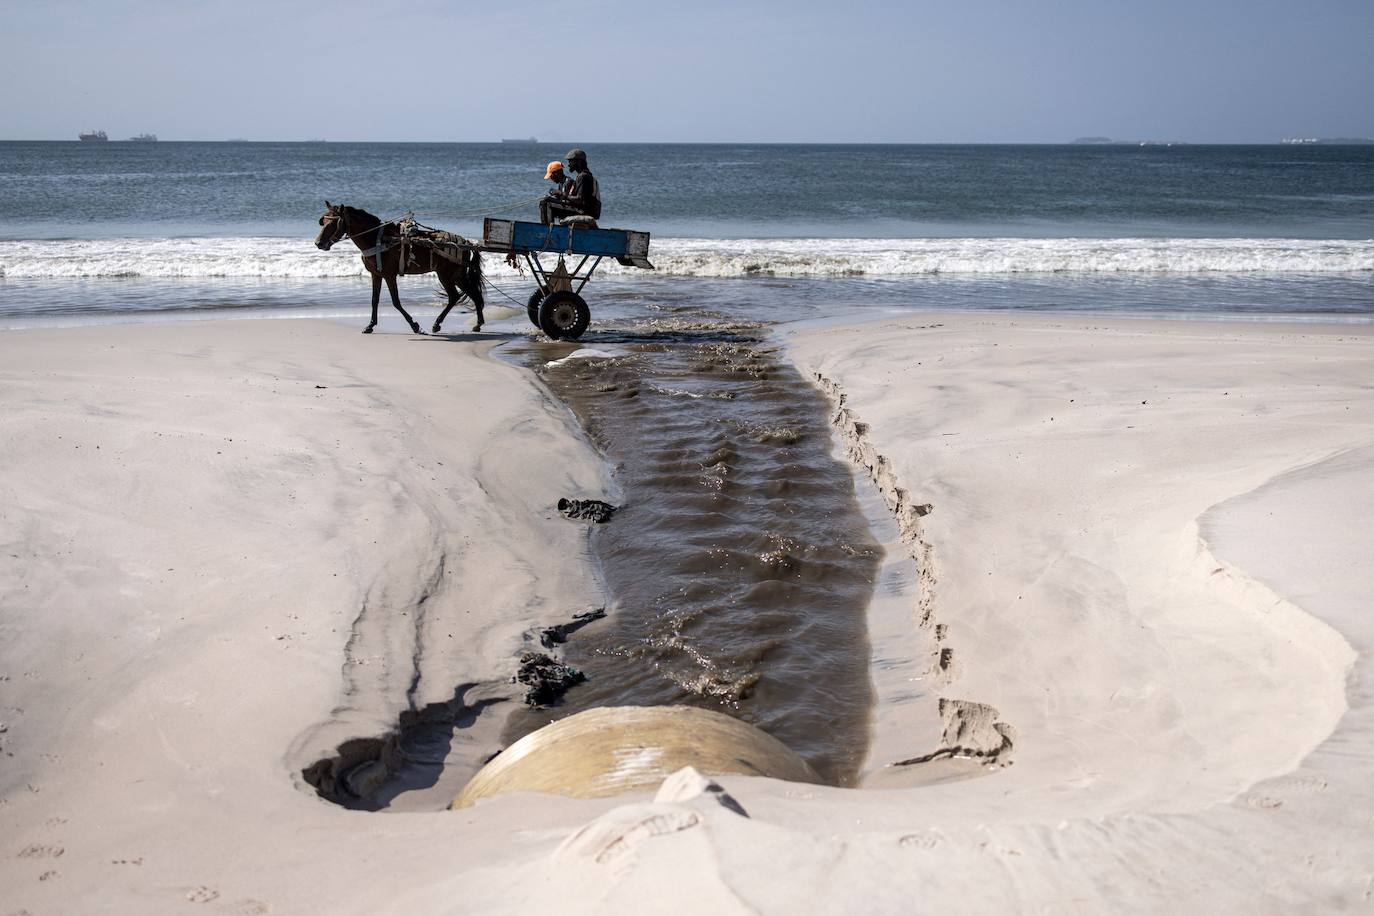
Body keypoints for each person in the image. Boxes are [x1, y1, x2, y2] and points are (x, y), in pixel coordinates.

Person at [539, 148, 602, 225]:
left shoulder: (583, 176)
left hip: (584, 211)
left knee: (546, 203)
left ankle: (546, 231)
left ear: (578, 162)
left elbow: (580, 200)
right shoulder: (585, 175)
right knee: (547, 200)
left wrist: (560, 193)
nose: (568, 165)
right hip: (584, 209)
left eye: (570, 161)